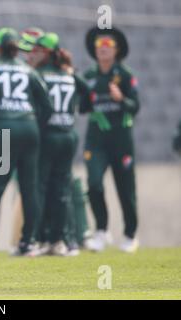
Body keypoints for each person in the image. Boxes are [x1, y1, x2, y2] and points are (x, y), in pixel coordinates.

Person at [0, 28, 52, 256]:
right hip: (29, 127)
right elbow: (47, 105)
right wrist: (35, 124)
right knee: (29, 188)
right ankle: (28, 242)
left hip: (2, 126)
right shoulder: (28, 70)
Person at [20, 32, 91, 256]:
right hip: (68, 136)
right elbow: (88, 96)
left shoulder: (37, 73)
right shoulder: (69, 74)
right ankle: (59, 240)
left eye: (38, 50)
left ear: (49, 53)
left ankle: (40, 240)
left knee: (39, 188)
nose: (33, 54)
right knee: (61, 190)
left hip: (47, 135)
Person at [82, 26, 140, 253]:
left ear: (116, 50)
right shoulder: (88, 77)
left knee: (125, 190)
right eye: (99, 45)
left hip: (121, 141)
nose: (102, 49)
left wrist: (121, 98)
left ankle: (130, 234)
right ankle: (101, 230)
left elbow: (135, 107)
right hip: (96, 141)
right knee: (94, 184)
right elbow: (84, 108)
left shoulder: (125, 75)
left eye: (107, 45)